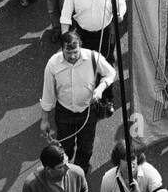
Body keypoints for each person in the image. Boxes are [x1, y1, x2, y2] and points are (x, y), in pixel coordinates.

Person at [39, 29, 116, 180]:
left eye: (76, 52)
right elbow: (47, 94)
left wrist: (100, 89)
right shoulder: (52, 64)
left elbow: (111, 73)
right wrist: (44, 119)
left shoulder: (93, 57)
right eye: (69, 53)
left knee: (86, 148)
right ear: (62, 49)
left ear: (80, 45)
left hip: (88, 111)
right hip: (64, 112)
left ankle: (80, 175)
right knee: (65, 148)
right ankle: (65, 173)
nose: (73, 56)